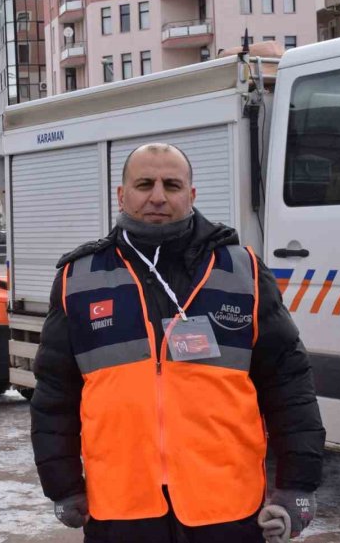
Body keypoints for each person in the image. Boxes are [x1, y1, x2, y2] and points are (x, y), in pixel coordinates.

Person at [31, 143, 325, 543]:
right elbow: (55, 395)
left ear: (191, 194)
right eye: (143, 184)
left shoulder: (243, 272)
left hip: (227, 508)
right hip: (121, 507)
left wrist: (297, 486)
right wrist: (62, 484)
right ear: (121, 194)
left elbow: (289, 384)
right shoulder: (79, 279)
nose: (157, 196)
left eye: (171, 184)